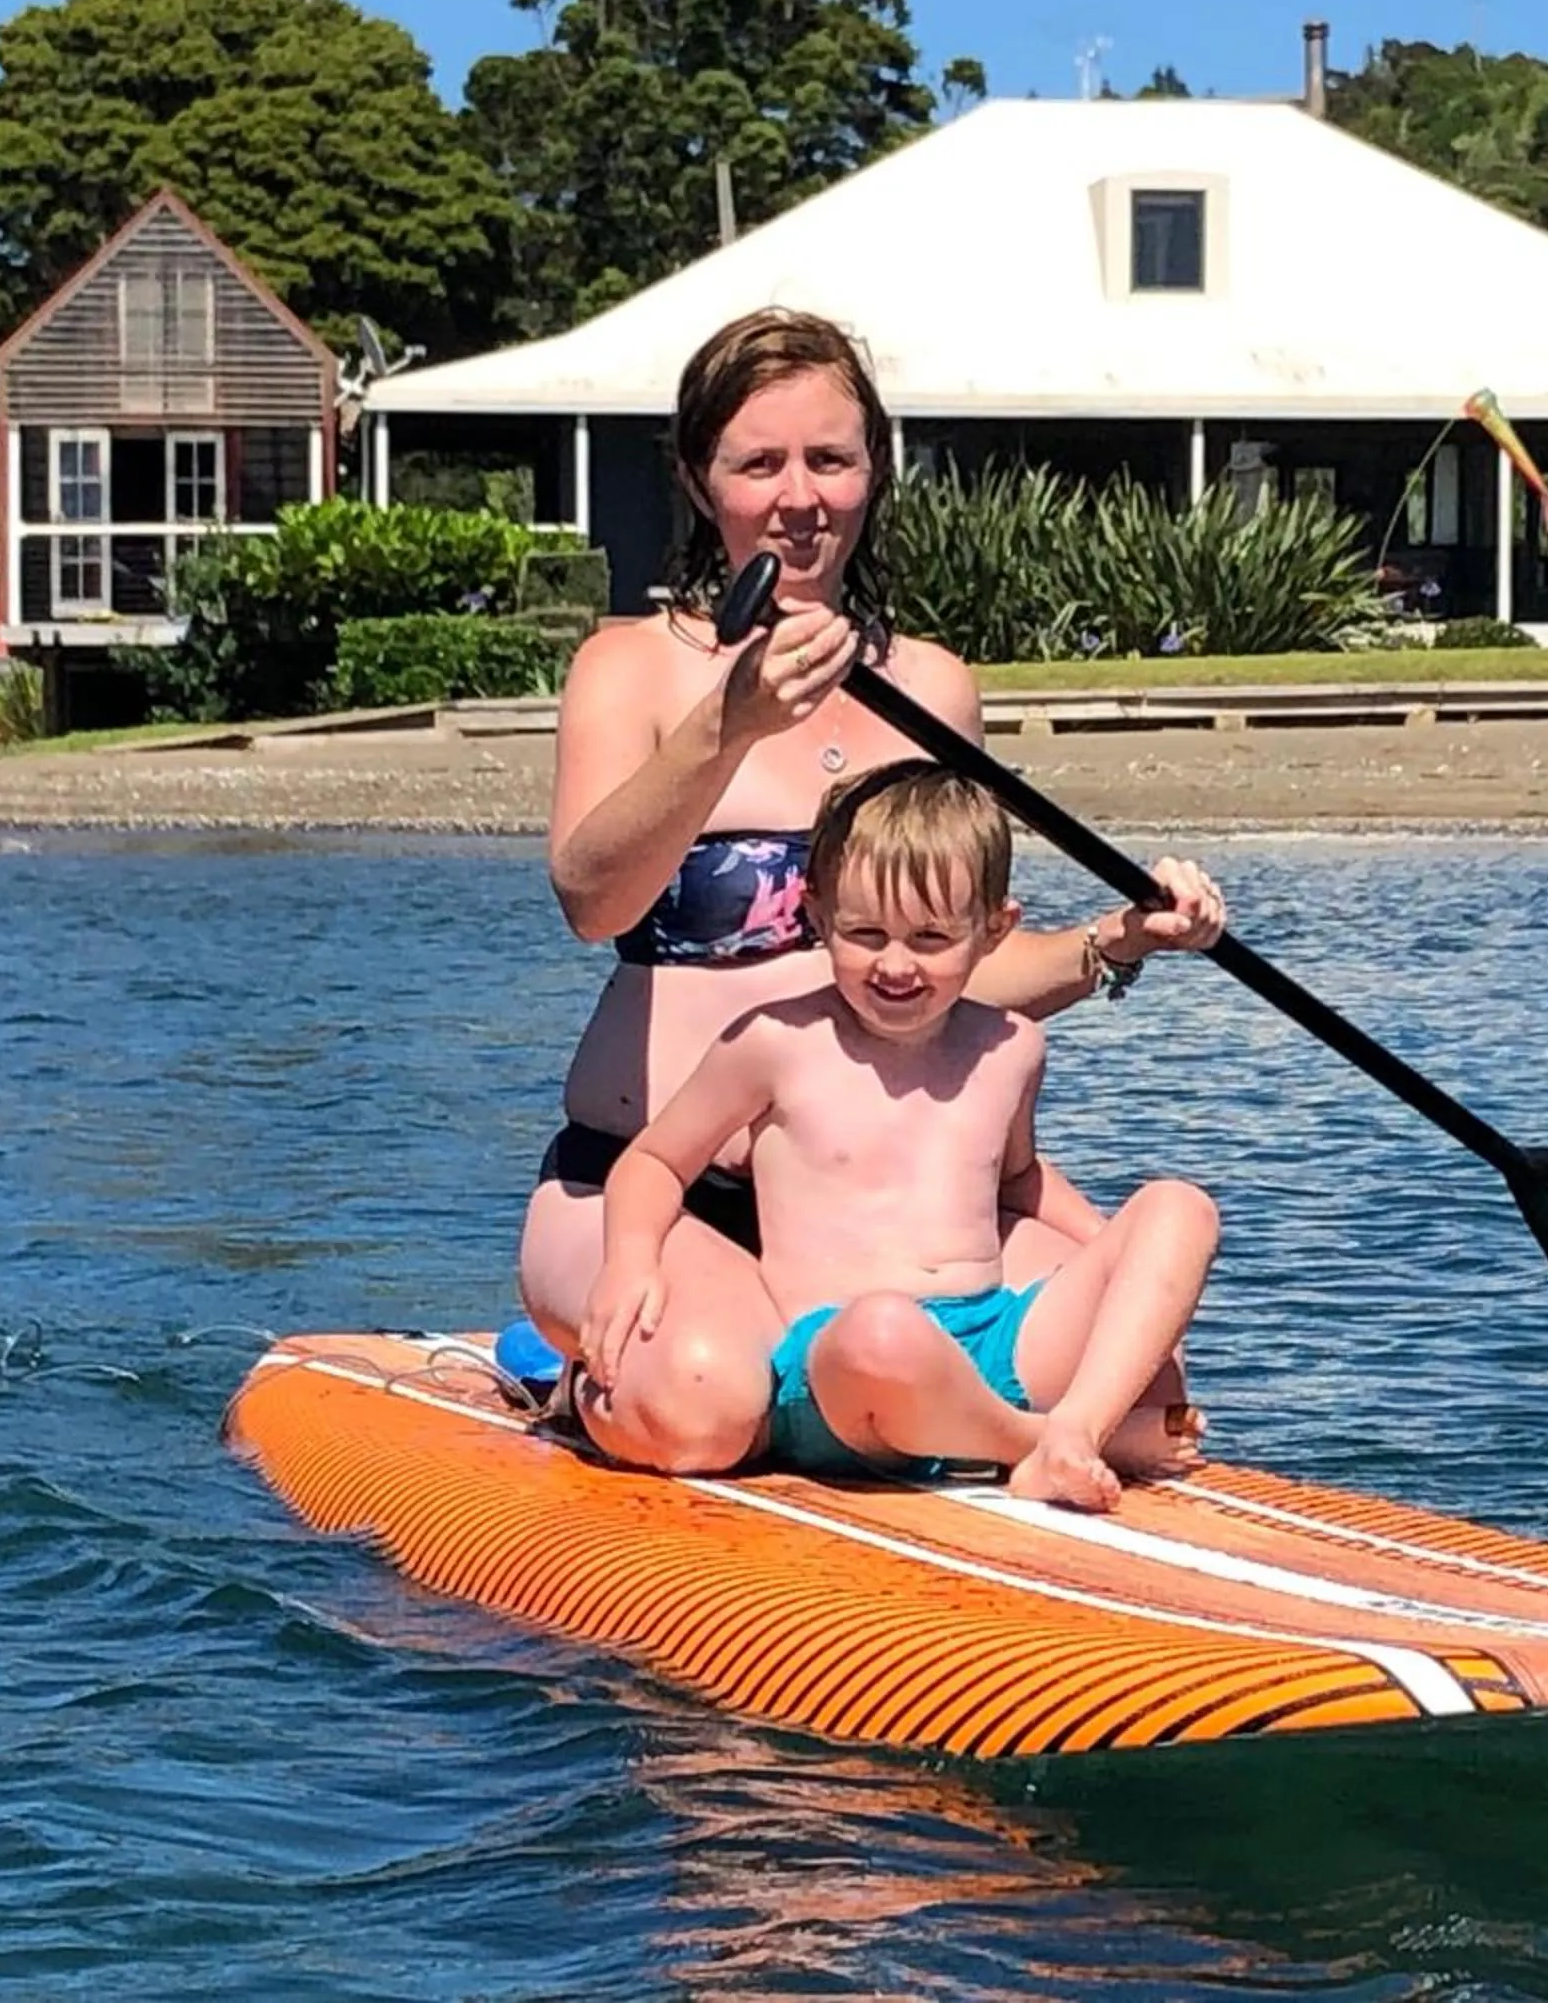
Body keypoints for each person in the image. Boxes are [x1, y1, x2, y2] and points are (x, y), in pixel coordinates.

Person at [520, 306, 1227, 1474]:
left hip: (884, 1216)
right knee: (705, 1408)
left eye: (830, 460)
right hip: (658, 1190)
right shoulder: (632, 667)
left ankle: (1028, 1439)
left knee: (1146, 1393)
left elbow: (954, 968)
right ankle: (582, 1378)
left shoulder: (935, 690)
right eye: (760, 463)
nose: (799, 496)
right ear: (703, 484)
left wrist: (1119, 939)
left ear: (874, 473)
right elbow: (590, 897)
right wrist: (727, 728)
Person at [582, 761, 1219, 1508]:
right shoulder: (775, 1043)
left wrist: (1117, 1258)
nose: (894, 964)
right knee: (885, 1330)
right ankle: (1062, 1443)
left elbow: (1017, 1182)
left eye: (929, 938)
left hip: (992, 1342)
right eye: (864, 933)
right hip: (841, 1368)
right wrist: (630, 1261)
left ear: (994, 930)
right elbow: (655, 1160)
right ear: (816, 919)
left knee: (1181, 1207)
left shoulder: (1010, 1048)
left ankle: (1071, 1426)